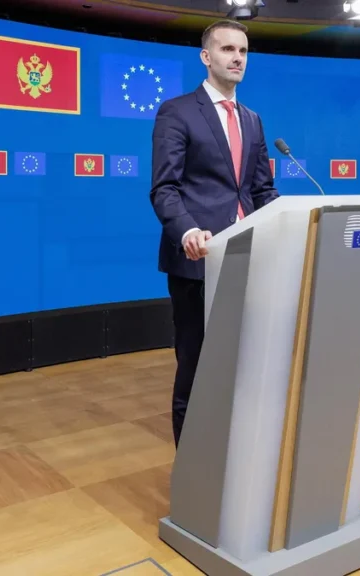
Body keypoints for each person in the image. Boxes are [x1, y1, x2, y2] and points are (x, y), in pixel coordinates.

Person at [150, 19, 279, 446]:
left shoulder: (252, 120)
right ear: (206, 57)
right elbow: (165, 188)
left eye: (243, 51)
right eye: (227, 49)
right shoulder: (178, 111)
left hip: (248, 259)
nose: (237, 58)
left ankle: (232, 453)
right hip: (199, 259)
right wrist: (187, 229)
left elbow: (261, 189)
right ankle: (192, 465)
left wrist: (289, 221)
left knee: (241, 362)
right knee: (197, 366)